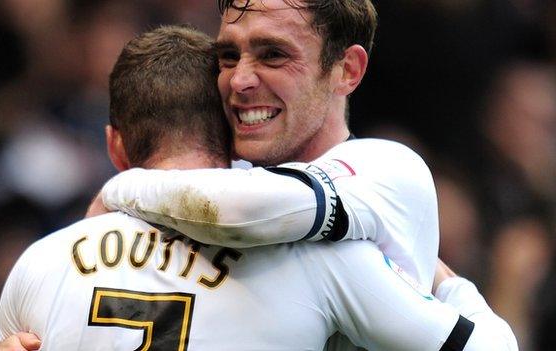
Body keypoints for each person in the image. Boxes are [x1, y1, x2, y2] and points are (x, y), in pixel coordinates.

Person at [0, 25, 517, 350]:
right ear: (235, 134)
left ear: (114, 147)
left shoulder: (40, 263)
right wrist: (449, 284)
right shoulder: (318, 257)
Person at [93, 0, 436, 296]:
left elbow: (246, 211)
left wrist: (121, 189)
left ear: (347, 70)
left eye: (273, 55)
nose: (240, 80)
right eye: (228, 56)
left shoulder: (388, 171)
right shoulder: (212, 192)